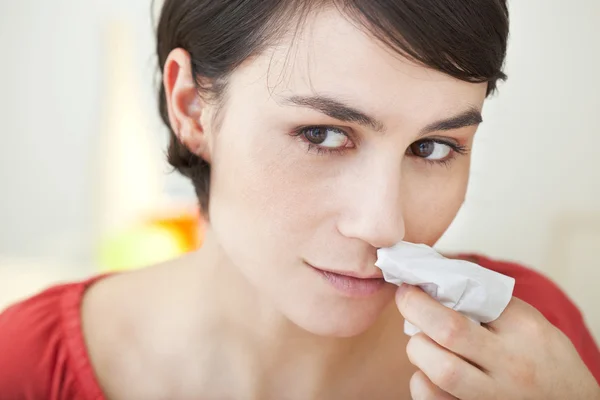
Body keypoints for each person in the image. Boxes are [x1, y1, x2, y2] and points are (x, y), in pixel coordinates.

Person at [1, 0, 599, 399]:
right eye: (323, 135)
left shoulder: (530, 350)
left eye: (434, 147)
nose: (384, 224)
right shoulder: (22, 368)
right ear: (191, 108)